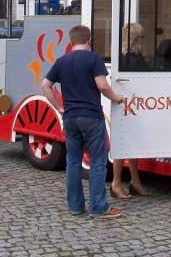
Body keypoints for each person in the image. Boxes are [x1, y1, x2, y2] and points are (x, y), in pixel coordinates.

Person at [42, 24, 125, 219]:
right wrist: (116, 98)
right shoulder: (93, 58)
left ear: (71, 42)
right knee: (97, 162)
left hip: (70, 117)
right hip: (91, 116)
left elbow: (45, 86)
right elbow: (102, 85)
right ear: (89, 41)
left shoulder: (62, 61)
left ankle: (75, 207)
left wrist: (58, 107)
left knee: (73, 162)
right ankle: (98, 208)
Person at [111, 23, 151, 199]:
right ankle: (116, 183)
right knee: (123, 144)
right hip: (129, 104)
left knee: (132, 145)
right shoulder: (133, 59)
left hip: (133, 103)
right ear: (136, 38)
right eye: (141, 36)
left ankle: (134, 181)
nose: (143, 39)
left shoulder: (126, 56)